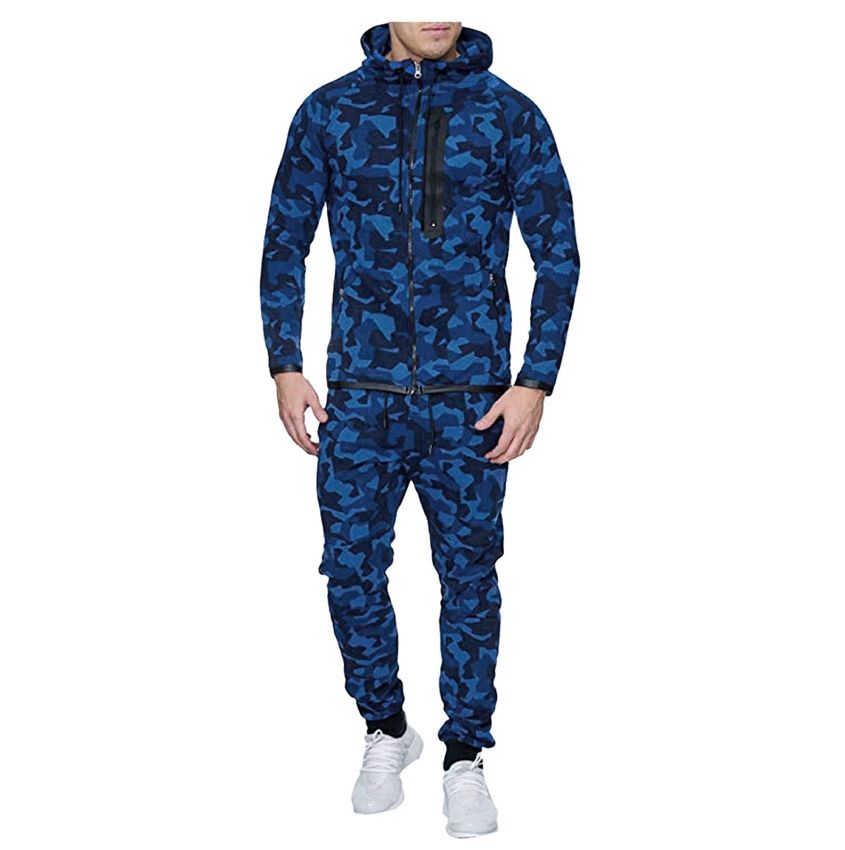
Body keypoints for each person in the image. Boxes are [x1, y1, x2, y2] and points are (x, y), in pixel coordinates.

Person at [259, 20, 579, 838]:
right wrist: (285, 362)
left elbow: (558, 254)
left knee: (469, 582)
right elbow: (285, 241)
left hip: (469, 403)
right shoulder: (330, 111)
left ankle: (465, 754)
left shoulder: (509, 114)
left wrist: (535, 380)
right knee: (350, 572)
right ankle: (386, 728)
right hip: (359, 399)